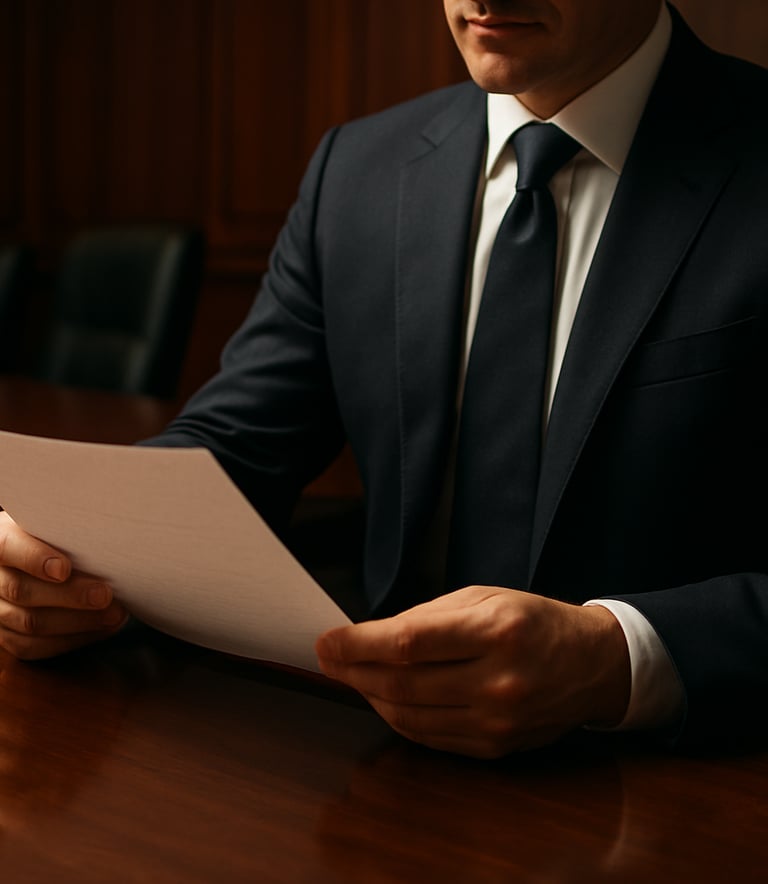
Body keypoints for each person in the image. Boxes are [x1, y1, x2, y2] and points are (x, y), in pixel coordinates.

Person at [1, 0, 767, 758]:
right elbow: (234, 444)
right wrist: (72, 559)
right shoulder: (358, 169)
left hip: (685, 787)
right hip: (377, 763)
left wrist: (615, 660)